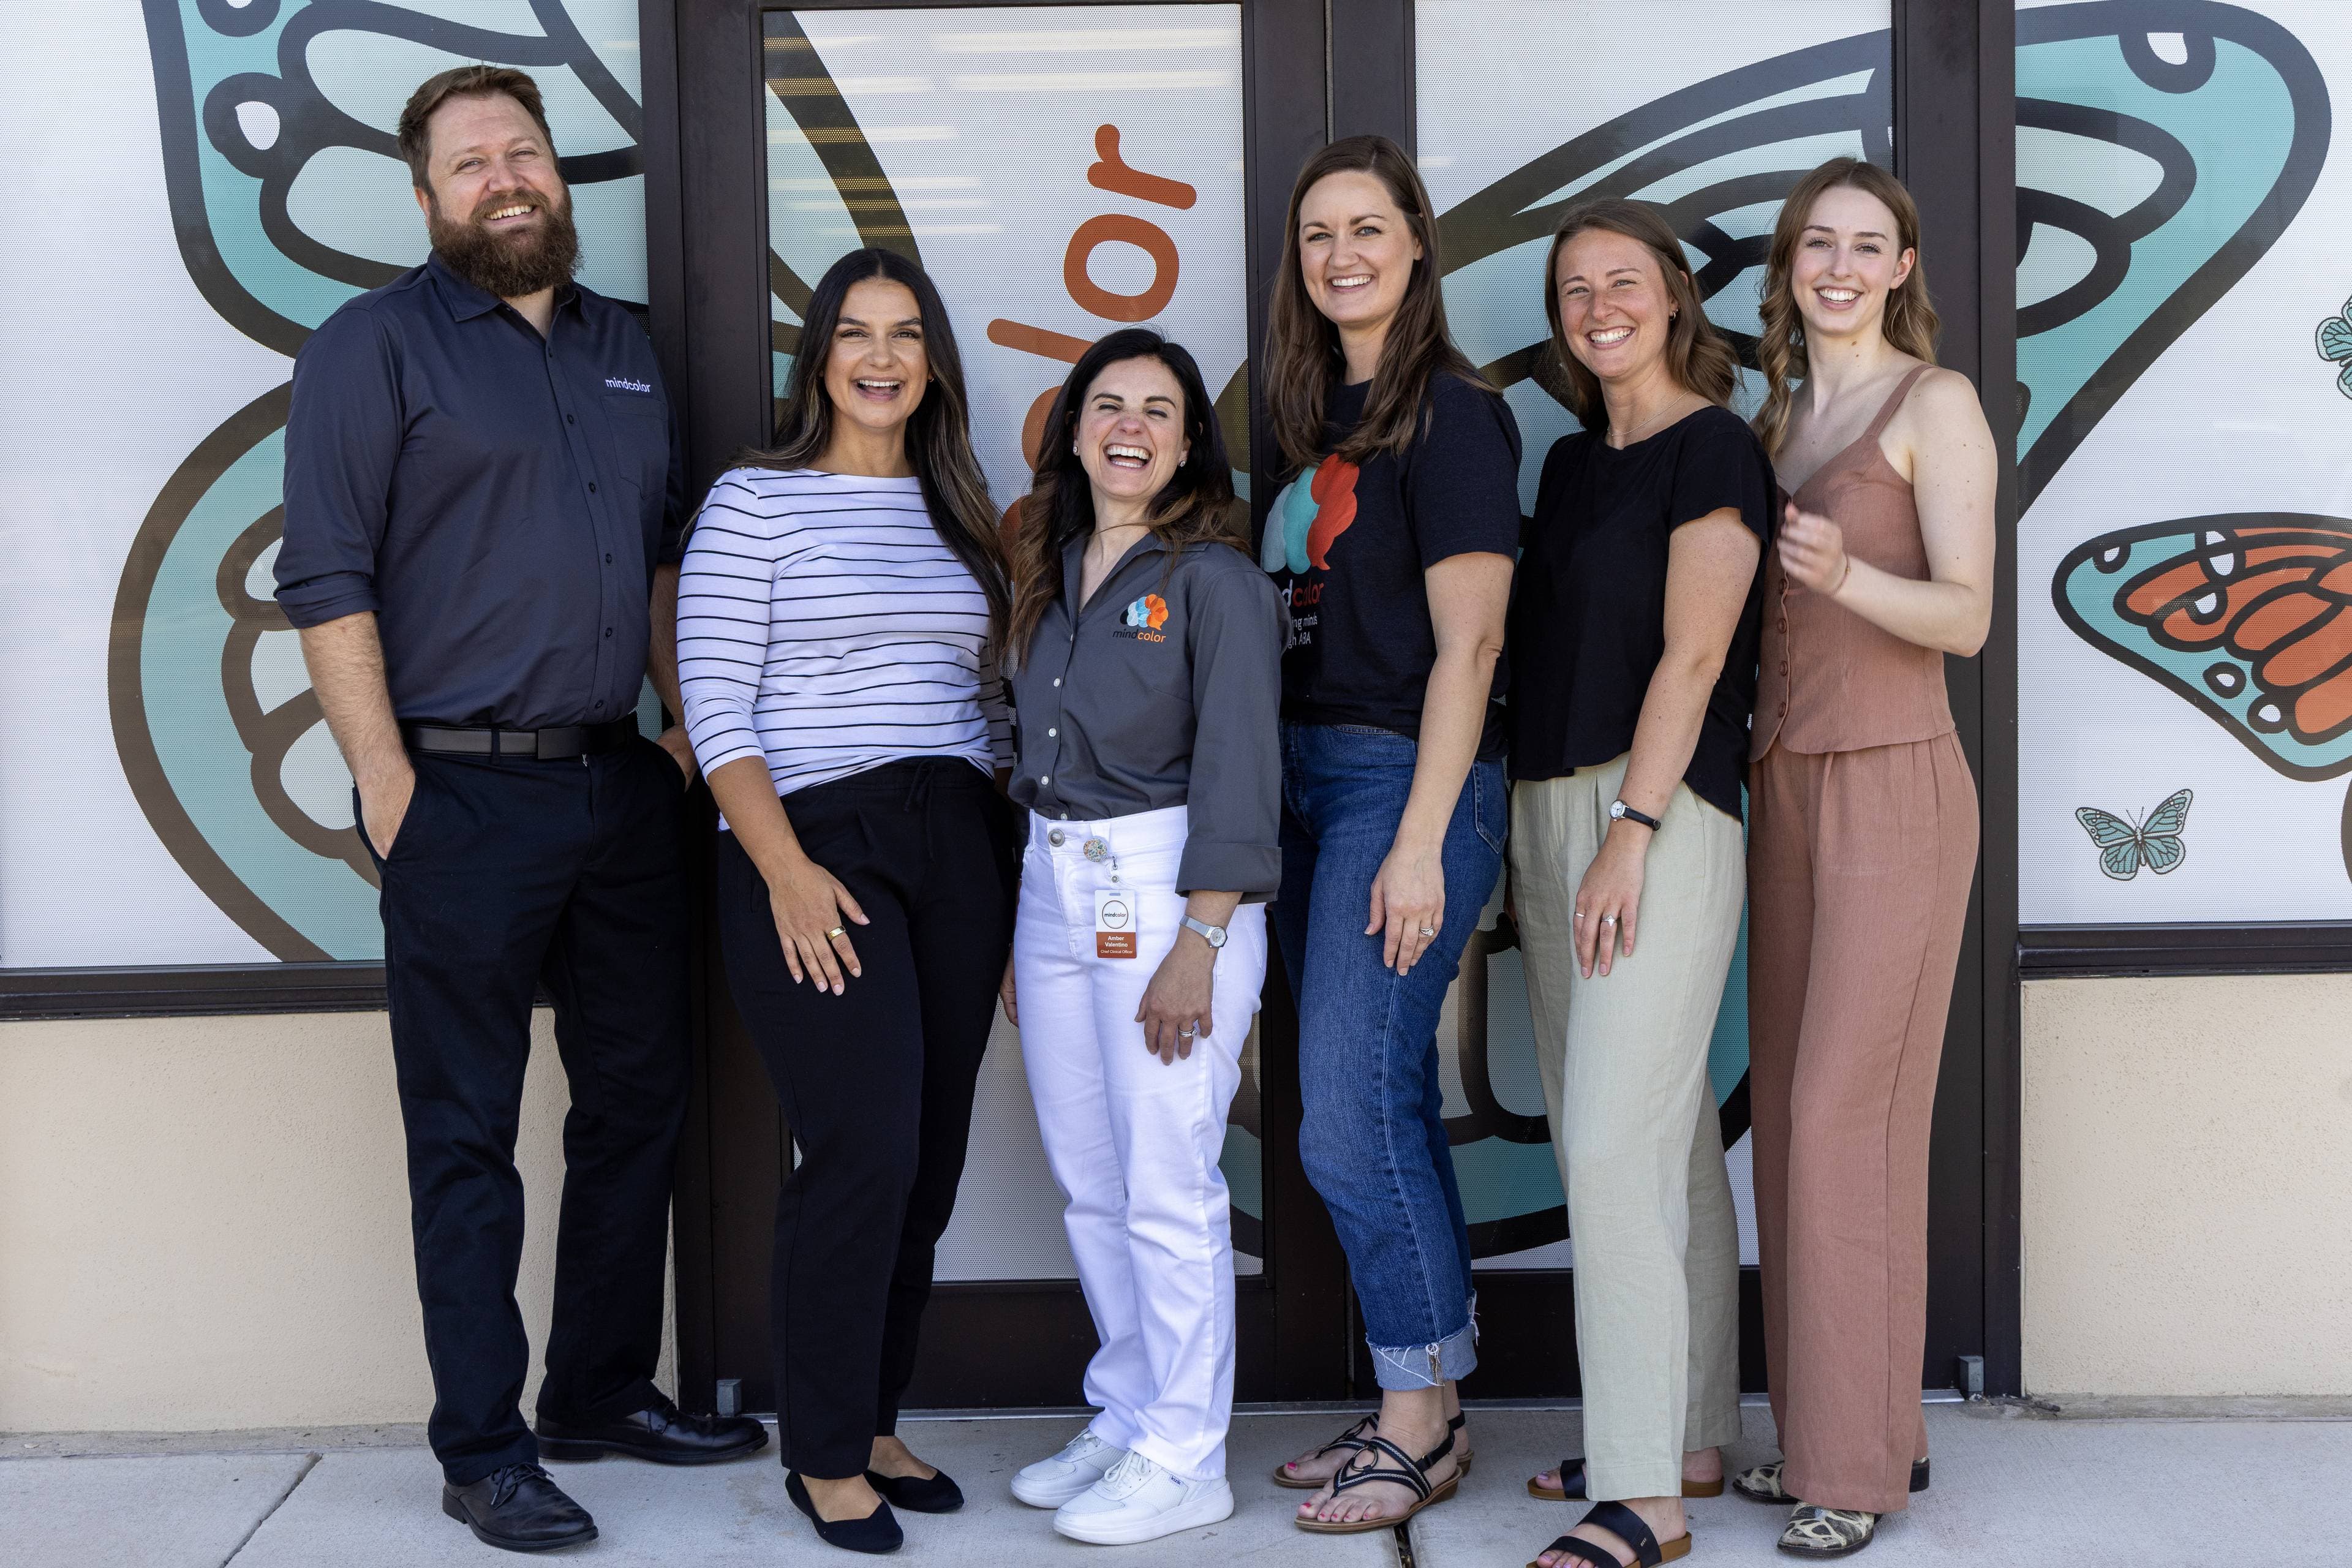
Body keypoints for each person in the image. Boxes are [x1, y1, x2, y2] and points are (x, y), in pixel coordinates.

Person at [275, 65, 765, 1555]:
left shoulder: (625, 350)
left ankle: (602, 1388)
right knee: (467, 1131)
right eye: (472, 160)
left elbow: (666, 556)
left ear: (561, 178)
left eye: (526, 152)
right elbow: (327, 578)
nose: (506, 176)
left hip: (619, 784)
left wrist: (682, 729)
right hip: (459, 793)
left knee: (635, 1105)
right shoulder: (372, 348)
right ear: (426, 197)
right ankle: (482, 1443)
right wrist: (390, 786)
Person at [676, 247, 1017, 1557]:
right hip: (817, 841)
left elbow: (989, 709)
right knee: (862, 1147)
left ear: (932, 363)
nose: (881, 355)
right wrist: (785, 870)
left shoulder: (961, 510)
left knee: (926, 1161)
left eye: (907, 334)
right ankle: (819, 1450)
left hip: (956, 839)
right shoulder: (754, 502)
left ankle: (873, 1416)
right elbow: (714, 703)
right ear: (819, 357)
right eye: (855, 333)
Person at [1257, 135, 1522, 1535]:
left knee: (1348, 1120)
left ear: (1417, 243)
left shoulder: (1454, 417)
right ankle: (1423, 1393)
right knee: (1379, 1097)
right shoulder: (1313, 417)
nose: (1342, 254)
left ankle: (1417, 1417)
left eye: (1368, 227)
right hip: (1301, 789)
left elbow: (1471, 646)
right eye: (1318, 236)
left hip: (1395, 787)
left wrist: (1420, 840)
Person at [1505, 198, 1771, 1568]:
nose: (1597, 303)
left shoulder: (1715, 444)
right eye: (1572, 287)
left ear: (1673, 297)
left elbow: (1692, 656)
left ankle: (1644, 1497)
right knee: (1655, 1136)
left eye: (1623, 280)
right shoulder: (1563, 464)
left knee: (1607, 1143)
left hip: (1652, 813)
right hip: (1549, 807)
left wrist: (1633, 825)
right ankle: (1689, 1432)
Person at [1733, 158, 1992, 1559]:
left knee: (1847, 1112)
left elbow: (1966, 618)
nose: (1838, 265)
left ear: (1902, 268)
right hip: (1786, 785)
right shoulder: (1779, 415)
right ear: (1790, 265)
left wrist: (1844, 578)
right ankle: (1862, 1425)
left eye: (1866, 245)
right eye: (1816, 244)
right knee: (1795, 1114)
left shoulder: (1932, 404)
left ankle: (1851, 1465)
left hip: (1896, 781)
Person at [996, 329, 1284, 1546]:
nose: (1129, 427)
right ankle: (1127, 1408)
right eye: (1106, 405)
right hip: (1056, 887)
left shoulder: (1213, 578)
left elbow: (1242, 767)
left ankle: (1187, 1449)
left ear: (1186, 441)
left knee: (1169, 1182)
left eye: (1157, 411)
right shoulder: (1049, 568)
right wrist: (1028, 923)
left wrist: (1200, 941)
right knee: (1091, 1180)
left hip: (1172, 893)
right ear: (1073, 429)